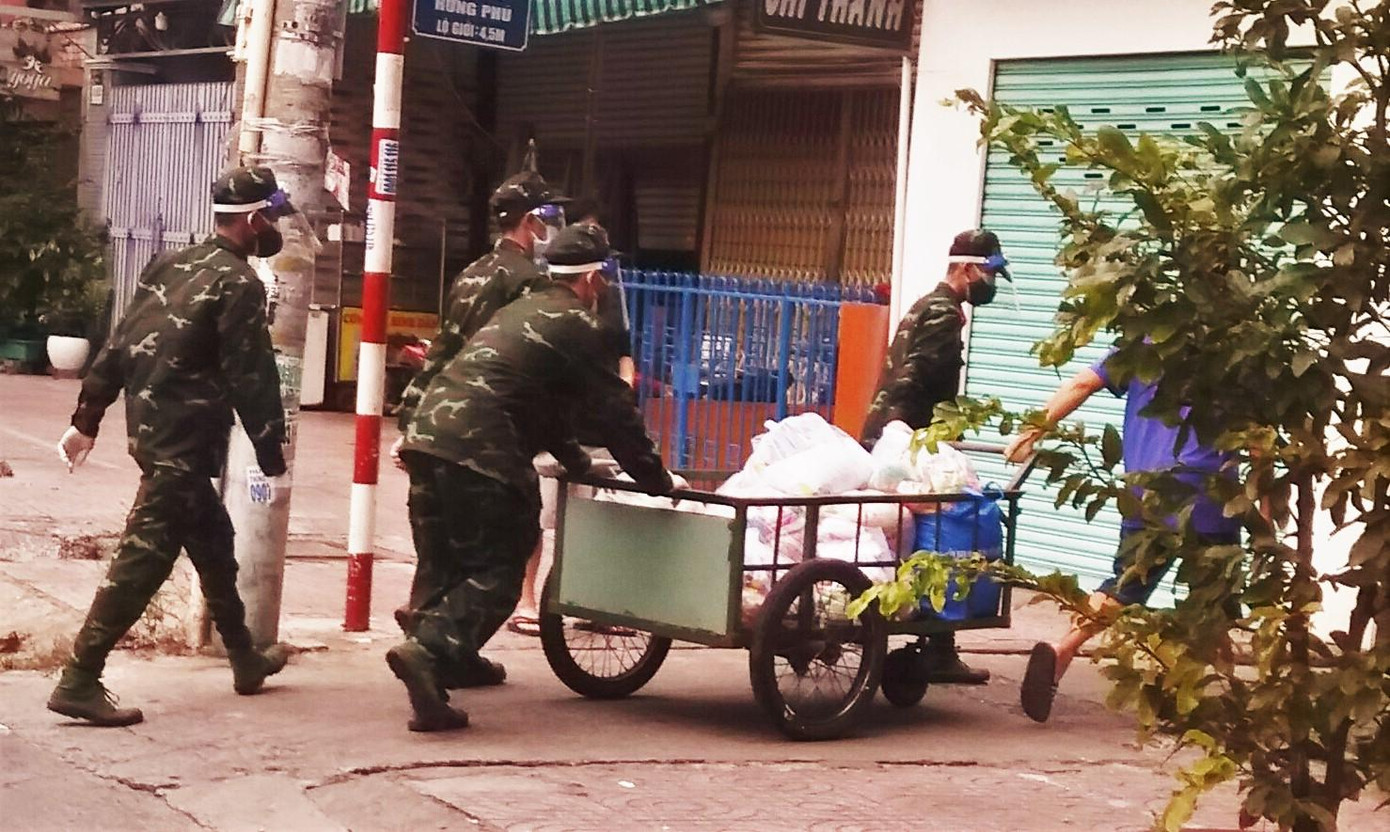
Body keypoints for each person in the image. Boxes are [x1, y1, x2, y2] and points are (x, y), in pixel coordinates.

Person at [388, 224, 674, 732]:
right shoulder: (580, 326)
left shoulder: (518, 309)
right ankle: (428, 650)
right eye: (603, 277)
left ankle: (446, 661)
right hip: (481, 446)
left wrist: (579, 464)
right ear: (592, 279)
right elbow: (615, 414)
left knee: (445, 558)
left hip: (427, 437)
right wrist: (656, 480)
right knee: (503, 561)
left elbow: (544, 408)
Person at [47, 166, 296, 727]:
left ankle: (245, 658)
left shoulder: (170, 263)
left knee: (213, 540)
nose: (274, 227)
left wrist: (87, 418)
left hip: (154, 431)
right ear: (256, 220)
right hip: (185, 442)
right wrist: (270, 451)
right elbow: (252, 374)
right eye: (272, 217)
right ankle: (79, 678)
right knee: (142, 559)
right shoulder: (240, 284)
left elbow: (121, 343)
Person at [1005, 350, 1241, 723]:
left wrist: (1029, 433)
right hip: (1210, 491)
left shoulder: (1143, 339)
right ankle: (1220, 696)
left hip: (1145, 488)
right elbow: (1256, 440)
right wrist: (1265, 510)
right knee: (1214, 601)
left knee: (1123, 586)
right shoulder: (1231, 346)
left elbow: (1083, 383)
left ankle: (1063, 649)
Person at [391, 170, 568, 626]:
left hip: (438, 421)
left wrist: (411, 420)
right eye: (548, 217)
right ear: (531, 221)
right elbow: (533, 364)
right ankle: (459, 631)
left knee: (439, 539)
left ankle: (426, 620)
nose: (551, 227)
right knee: (509, 535)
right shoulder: (529, 283)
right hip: (493, 428)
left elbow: (443, 348)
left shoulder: (470, 273)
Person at [860, 228, 1013, 685]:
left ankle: (936, 645)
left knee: (914, 533)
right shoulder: (945, 314)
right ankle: (937, 645)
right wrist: (905, 439)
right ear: (966, 268)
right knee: (945, 531)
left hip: (898, 433)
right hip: (912, 438)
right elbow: (916, 375)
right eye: (988, 274)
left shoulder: (926, 304)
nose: (990, 284)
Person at [506, 198, 633, 637]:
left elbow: (623, 353)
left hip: (593, 430)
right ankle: (526, 600)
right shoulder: (547, 307)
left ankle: (587, 601)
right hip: (551, 432)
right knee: (538, 519)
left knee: (589, 521)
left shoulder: (607, 301)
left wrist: (623, 388)